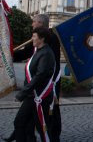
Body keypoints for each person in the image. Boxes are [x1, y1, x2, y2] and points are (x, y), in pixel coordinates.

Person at [4, 14, 61, 142]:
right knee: (25, 119)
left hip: (46, 85)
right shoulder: (37, 38)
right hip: (33, 88)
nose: (32, 24)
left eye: (34, 22)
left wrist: (25, 91)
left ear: (41, 24)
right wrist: (10, 56)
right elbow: (26, 53)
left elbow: (45, 67)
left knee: (49, 115)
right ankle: (25, 136)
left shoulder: (50, 38)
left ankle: (53, 136)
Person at [14, 27, 56, 142]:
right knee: (24, 124)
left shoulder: (46, 54)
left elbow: (39, 76)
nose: (32, 39)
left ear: (41, 39)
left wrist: (22, 93)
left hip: (38, 97)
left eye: (34, 37)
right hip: (32, 95)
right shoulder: (39, 51)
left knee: (41, 128)